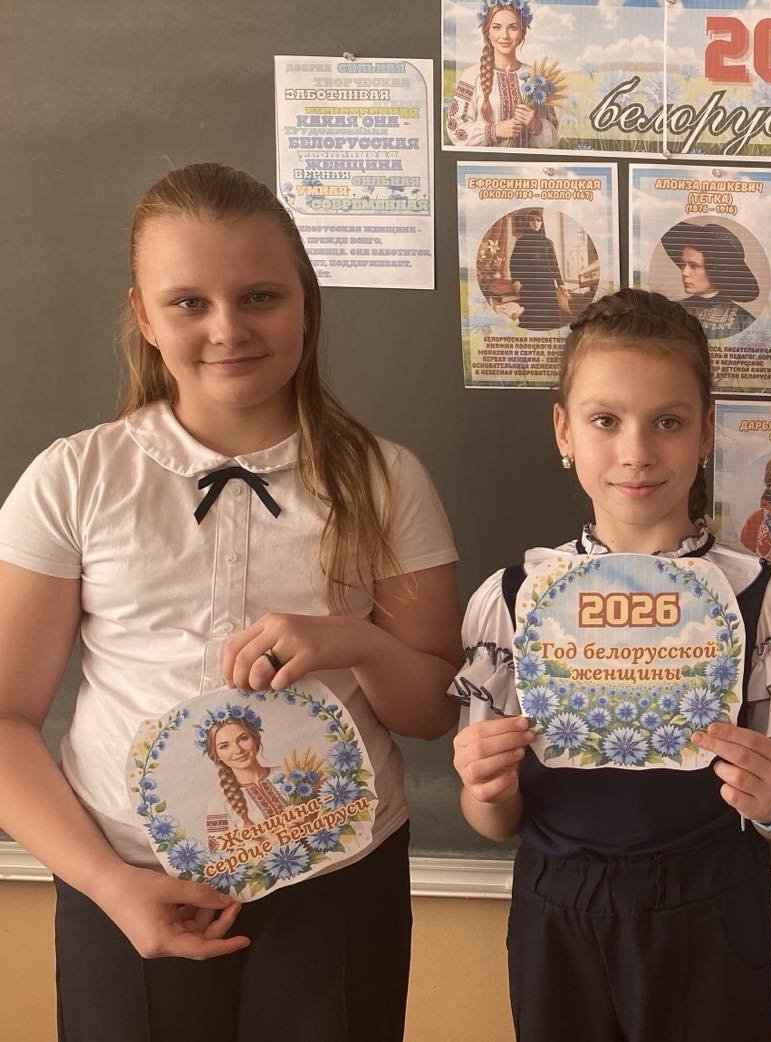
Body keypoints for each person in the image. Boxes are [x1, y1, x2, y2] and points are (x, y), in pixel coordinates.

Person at [0, 162, 461, 1042]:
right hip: (129, 875)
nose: (227, 329)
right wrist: (109, 885)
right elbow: (4, 718)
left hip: (336, 875)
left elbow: (436, 708)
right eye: (188, 303)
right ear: (144, 316)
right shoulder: (75, 478)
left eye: (259, 297)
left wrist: (355, 641)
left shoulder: (385, 479)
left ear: (306, 304)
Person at [448, 289, 771, 1042]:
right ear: (564, 430)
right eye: (605, 420)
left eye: (668, 422)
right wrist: (484, 787)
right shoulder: (515, 601)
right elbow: (492, 820)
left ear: (707, 431)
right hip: (558, 906)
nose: (637, 452)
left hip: (711, 902)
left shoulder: (763, 597)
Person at [445, 0, 561, 149]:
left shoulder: (536, 78)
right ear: (487, 32)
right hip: (483, 162)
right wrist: (495, 131)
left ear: (522, 32)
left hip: (525, 162)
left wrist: (535, 125)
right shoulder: (471, 75)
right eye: (496, 27)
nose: (505, 35)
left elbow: (553, 135)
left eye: (513, 27)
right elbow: (455, 128)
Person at [200, 710, 289, 846]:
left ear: (255, 738)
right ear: (217, 755)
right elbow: (220, 852)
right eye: (224, 746)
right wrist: (271, 844)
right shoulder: (218, 805)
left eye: (243, 738)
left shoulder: (290, 773)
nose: (238, 750)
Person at [661, 220, 760, 340]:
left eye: (694, 266)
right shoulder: (671, 312)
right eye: (683, 264)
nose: (684, 272)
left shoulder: (744, 321)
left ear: (715, 269)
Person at [508, 209, 566, 331]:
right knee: (531, 316)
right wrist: (516, 279)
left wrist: (560, 283)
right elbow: (514, 262)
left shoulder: (548, 243)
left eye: (538, 220)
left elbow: (554, 264)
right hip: (529, 285)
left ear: (542, 223)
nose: (535, 223)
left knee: (548, 317)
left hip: (546, 285)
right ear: (528, 222)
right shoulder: (521, 242)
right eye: (532, 220)